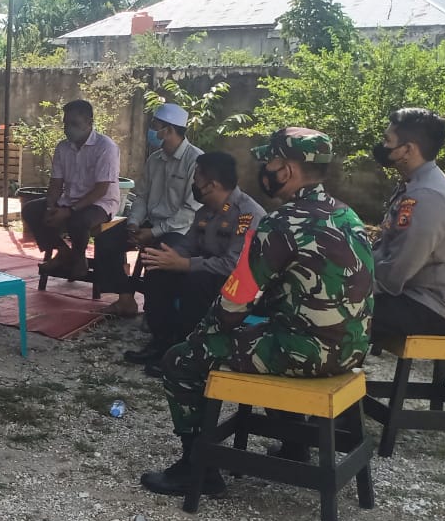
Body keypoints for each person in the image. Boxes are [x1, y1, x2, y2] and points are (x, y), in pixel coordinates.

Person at [140, 128, 375, 496]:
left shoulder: (280, 223)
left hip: (307, 351)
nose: (265, 170)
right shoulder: (348, 215)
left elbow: (237, 298)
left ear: (287, 169)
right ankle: (295, 445)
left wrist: (199, 340)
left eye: (270, 162)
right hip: (352, 348)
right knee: (269, 332)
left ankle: (198, 469)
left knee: (180, 361)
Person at [123, 151, 264, 376]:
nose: (193, 182)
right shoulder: (206, 212)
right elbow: (188, 245)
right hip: (205, 272)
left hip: (238, 284)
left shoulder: (247, 215)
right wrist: (169, 258)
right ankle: (162, 343)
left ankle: (188, 353)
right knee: (158, 266)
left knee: (197, 280)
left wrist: (185, 265)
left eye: (197, 177)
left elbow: (233, 265)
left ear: (211, 185)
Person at [101, 102, 202, 316]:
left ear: (169, 130)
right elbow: (142, 196)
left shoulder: (195, 161)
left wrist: (153, 233)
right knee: (106, 240)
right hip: (149, 224)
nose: (152, 131)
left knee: (160, 255)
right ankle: (125, 297)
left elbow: (189, 212)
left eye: (155, 126)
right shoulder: (154, 159)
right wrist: (133, 224)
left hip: (180, 230)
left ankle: (157, 313)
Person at [371, 107, 445, 341]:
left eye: (388, 140)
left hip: (434, 305)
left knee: (333, 312)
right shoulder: (416, 184)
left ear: (408, 149)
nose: (383, 146)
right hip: (414, 294)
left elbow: (396, 273)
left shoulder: (428, 195)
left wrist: (354, 283)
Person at [21, 99, 122, 281]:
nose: (68, 129)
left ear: (89, 123)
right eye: (66, 124)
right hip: (69, 200)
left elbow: (101, 189)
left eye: (74, 124)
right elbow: (56, 183)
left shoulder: (106, 147)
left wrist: (69, 211)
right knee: (32, 209)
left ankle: (78, 258)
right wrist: (51, 206)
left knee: (78, 220)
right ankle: (63, 252)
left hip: (100, 203)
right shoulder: (63, 147)